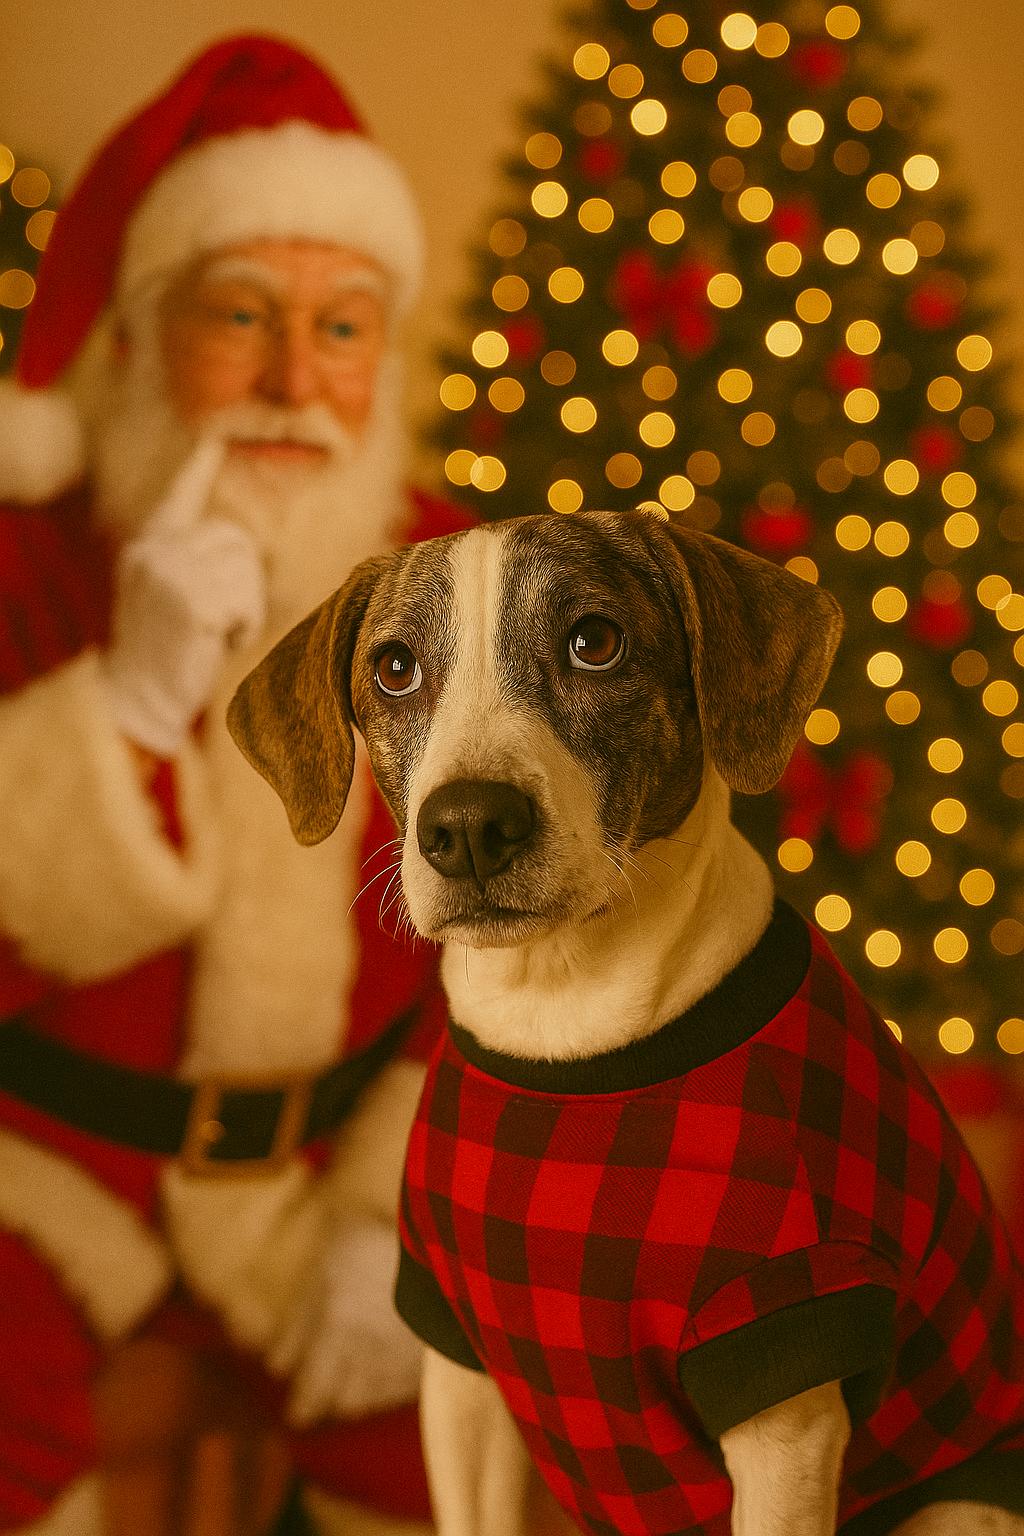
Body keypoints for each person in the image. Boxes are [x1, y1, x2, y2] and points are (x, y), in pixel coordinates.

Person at [0, 34, 471, 1536]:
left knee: (471, 1450)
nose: (293, 382)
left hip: (322, 1186)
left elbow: (528, 934)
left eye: (343, 330)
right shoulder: (29, 563)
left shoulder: (459, 578)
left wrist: (396, 1211)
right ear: (136, 342)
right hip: (44, 1175)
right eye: (241, 319)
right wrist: (124, 707)